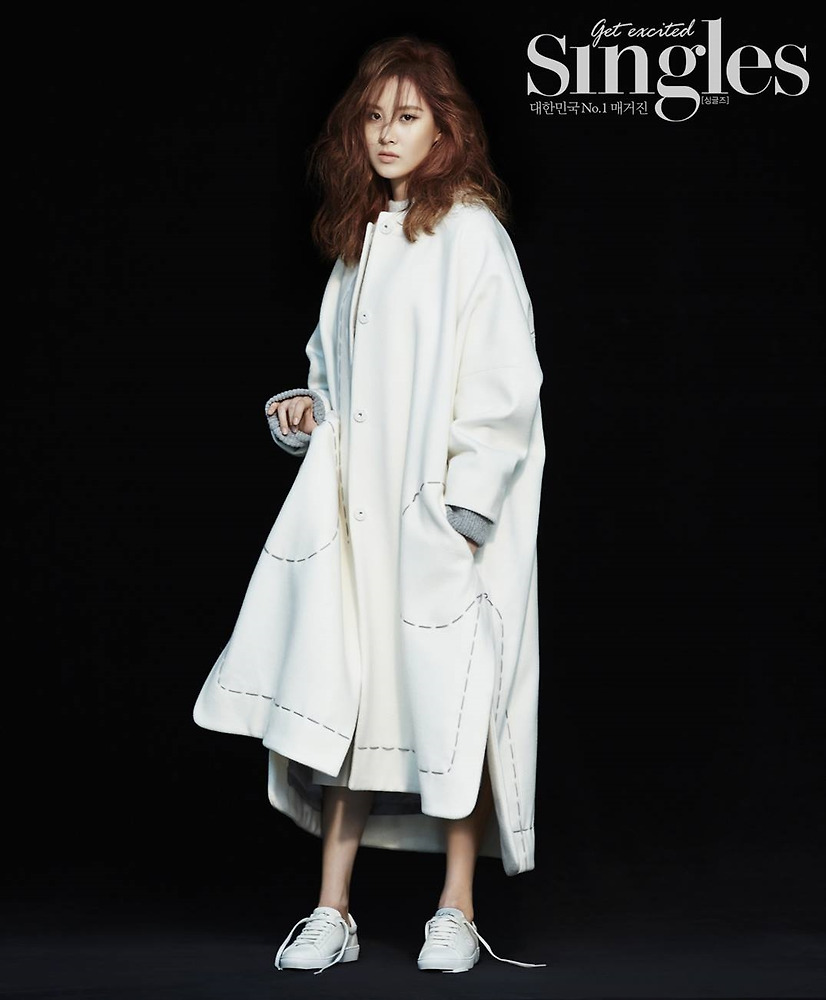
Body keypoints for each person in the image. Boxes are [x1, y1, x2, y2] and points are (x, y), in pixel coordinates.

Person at [193, 35, 546, 975]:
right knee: (346, 699)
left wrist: (463, 513)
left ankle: (456, 909)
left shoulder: (472, 234)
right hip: (358, 523)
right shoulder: (357, 245)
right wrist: (305, 413)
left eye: (408, 115)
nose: (387, 132)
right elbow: (332, 381)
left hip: (438, 528)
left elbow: (506, 386)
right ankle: (332, 909)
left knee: (454, 704)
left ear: (444, 130)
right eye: (375, 116)